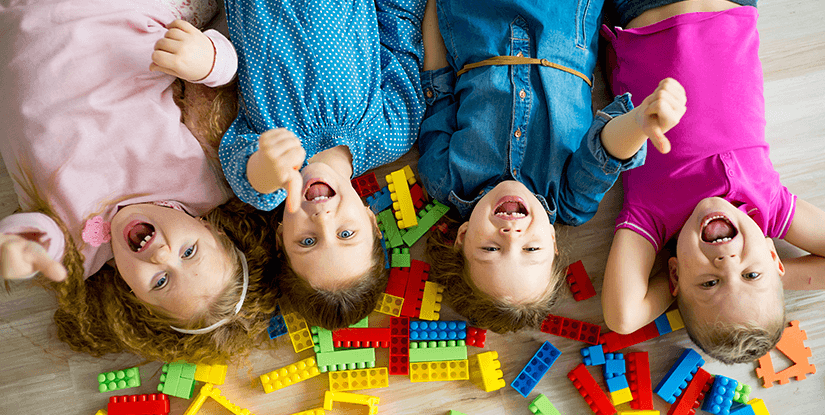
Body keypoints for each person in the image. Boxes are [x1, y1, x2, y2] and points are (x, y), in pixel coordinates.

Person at [0, 0, 280, 362]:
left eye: (161, 281)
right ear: (211, 229)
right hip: (128, 13)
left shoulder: (76, 252)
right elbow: (231, 80)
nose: (163, 255)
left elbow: (41, 236)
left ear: (134, 294)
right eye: (189, 251)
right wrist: (210, 62)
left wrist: (21, 244)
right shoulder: (207, 181)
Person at [418, 0, 685, 332]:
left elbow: (437, 83)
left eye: (491, 248)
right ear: (553, 244)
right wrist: (639, 124)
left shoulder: (445, 179)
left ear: (462, 237)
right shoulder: (570, 200)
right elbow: (606, 151)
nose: (511, 234)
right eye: (531, 248)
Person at [170, 0, 429, 328]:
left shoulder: (268, 189)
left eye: (308, 242)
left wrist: (268, 170)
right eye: (346, 233)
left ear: (280, 238)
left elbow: (244, 166)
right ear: (372, 221)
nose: (322, 220)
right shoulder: (394, 131)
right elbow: (401, 27)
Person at [601, 0, 825, 364]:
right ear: (772, 255)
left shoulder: (653, 216)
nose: (726, 260)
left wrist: (753, 280)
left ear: (675, 275)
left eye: (709, 282)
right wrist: (772, 275)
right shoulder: (768, 207)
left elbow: (622, 317)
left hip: (642, 9)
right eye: (750, 273)